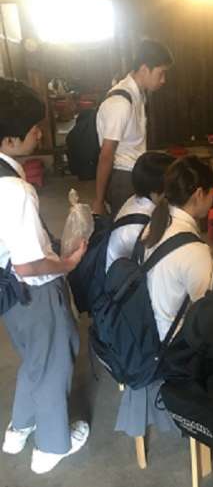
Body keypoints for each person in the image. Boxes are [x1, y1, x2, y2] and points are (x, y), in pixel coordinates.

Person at [0, 78, 89, 474]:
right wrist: (68, 264)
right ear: (9, 139)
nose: (40, 132)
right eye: (33, 127)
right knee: (55, 361)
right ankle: (51, 446)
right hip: (31, 290)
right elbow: (29, 264)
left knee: (36, 357)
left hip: (7, 291)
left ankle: (19, 428)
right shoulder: (15, 189)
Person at [115, 155, 213, 439]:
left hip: (143, 332)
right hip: (168, 350)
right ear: (199, 194)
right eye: (212, 194)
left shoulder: (156, 223)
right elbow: (207, 313)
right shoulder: (194, 250)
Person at [93, 39, 174, 218]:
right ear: (144, 69)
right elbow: (106, 155)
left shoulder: (138, 94)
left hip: (135, 172)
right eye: (161, 73)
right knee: (129, 225)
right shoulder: (120, 103)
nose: (163, 80)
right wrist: (98, 201)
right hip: (123, 178)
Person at [106, 151, 174, 271]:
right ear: (155, 192)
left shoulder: (135, 199)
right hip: (121, 280)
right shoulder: (144, 225)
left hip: (120, 271)